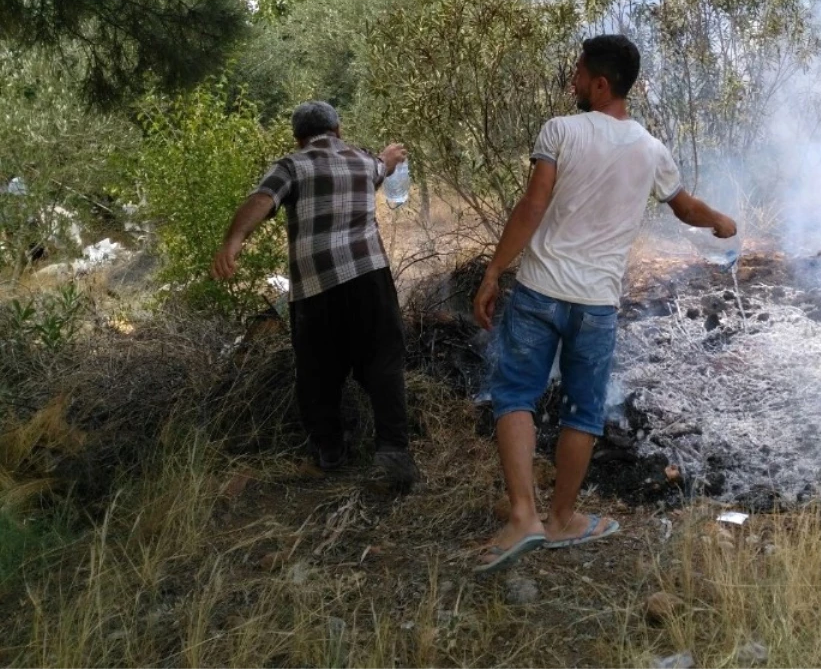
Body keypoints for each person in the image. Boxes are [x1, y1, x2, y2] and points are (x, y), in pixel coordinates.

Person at [470, 34, 737, 574]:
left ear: (600, 83)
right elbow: (684, 208)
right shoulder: (651, 148)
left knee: (516, 394)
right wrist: (719, 221)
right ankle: (563, 517)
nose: (571, 82)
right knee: (583, 410)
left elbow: (533, 205)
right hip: (597, 304)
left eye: (577, 73)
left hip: (541, 291)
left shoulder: (560, 131)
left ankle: (524, 516)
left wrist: (494, 270)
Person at [210, 100, 419, 492]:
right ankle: (393, 452)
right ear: (338, 130)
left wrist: (233, 241)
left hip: (316, 289)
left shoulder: (292, 165)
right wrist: (389, 157)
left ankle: (330, 452)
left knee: (317, 374)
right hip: (369, 278)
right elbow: (382, 166)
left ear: (298, 138)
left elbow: (262, 200)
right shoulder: (361, 160)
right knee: (383, 364)